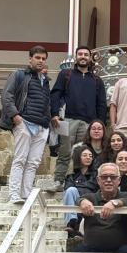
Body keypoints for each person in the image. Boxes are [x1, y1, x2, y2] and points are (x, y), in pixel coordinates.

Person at [49, 45, 107, 192]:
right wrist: (54, 114)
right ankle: (58, 181)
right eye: (80, 54)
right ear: (76, 57)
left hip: (88, 122)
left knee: (85, 154)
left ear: (90, 58)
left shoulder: (97, 80)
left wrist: (101, 124)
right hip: (67, 120)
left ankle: (82, 181)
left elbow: (101, 103)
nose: (83, 57)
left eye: (86, 54)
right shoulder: (66, 74)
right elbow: (55, 94)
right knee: (65, 152)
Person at [0, 45, 51, 204]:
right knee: (20, 159)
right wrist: (15, 116)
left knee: (33, 162)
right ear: (30, 59)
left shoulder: (45, 81)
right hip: (24, 122)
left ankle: (26, 195)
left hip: (42, 126)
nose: (40, 61)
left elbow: (46, 102)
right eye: (37, 58)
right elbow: (6, 96)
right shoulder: (19, 74)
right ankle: (14, 194)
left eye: (43, 58)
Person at [63, 145, 98, 236]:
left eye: (90, 156)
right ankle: (72, 222)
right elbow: (68, 189)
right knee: (70, 190)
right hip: (76, 204)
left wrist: (77, 185)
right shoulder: (72, 175)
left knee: (73, 190)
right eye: (85, 155)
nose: (88, 158)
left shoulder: (96, 174)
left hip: (91, 202)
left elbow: (93, 187)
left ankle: (74, 224)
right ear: (78, 157)